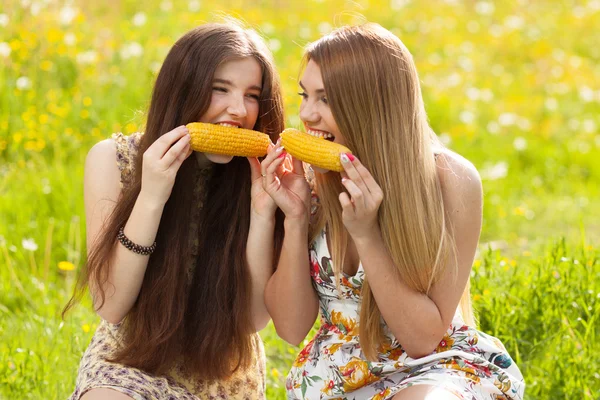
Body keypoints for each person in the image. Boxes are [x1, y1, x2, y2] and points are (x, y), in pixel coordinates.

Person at [260, 23, 525, 400]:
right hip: (337, 376)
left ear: (371, 105)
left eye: (325, 99)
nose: (306, 114)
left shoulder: (451, 180)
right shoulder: (309, 181)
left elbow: (421, 340)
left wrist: (367, 235)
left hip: (435, 368)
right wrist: (296, 216)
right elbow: (289, 328)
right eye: (305, 95)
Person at [63, 21, 285, 400]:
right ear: (183, 89)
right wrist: (152, 196)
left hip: (222, 373)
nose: (238, 110)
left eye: (252, 95)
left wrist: (263, 213)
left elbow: (252, 320)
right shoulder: (114, 160)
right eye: (220, 89)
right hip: (131, 360)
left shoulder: (259, 177)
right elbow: (111, 305)